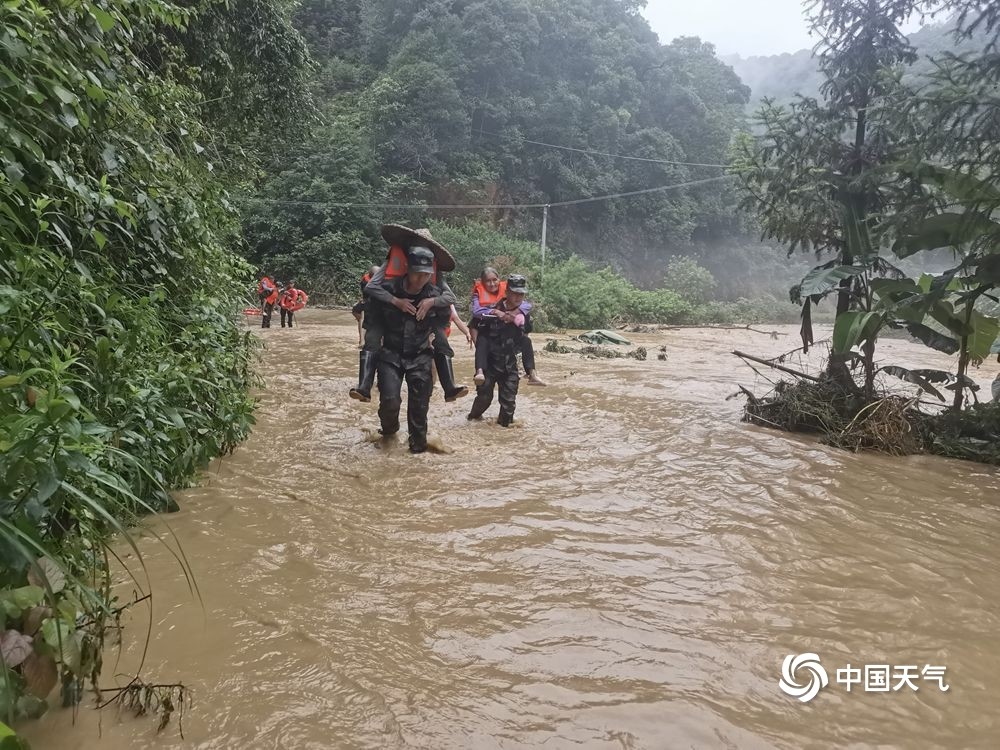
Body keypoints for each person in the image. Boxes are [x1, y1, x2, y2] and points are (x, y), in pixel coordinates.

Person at [351, 224, 468, 403]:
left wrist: (431, 302)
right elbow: (372, 286)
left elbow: (449, 296)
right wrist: (396, 301)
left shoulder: (431, 265)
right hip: (388, 312)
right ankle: (364, 387)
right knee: (372, 339)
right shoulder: (394, 260)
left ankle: (449, 387)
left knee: (441, 340)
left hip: (421, 316)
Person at [364, 247, 450, 453]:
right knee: (390, 401)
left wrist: (432, 310)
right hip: (391, 354)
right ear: (407, 270)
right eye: (417, 273)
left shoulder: (435, 295)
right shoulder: (387, 290)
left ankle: (418, 452)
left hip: (420, 355)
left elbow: (443, 322)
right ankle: (389, 431)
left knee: (419, 408)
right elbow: (372, 322)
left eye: (426, 274)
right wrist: (395, 303)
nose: (421, 278)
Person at [467, 274, 532, 427]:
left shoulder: (523, 314)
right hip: (489, 364)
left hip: (509, 366)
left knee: (508, 408)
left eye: (521, 294)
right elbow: (473, 325)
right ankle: (471, 421)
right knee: (484, 399)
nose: (518, 297)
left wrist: (528, 367)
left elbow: (526, 336)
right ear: (507, 292)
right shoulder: (489, 310)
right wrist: (480, 353)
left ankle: (503, 438)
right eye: (514, 293)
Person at [470, 268, 546, 386]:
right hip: (490, 356)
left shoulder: (523, 308)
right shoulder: (483, 303)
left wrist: (516, 314)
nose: (492, 284)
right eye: (488, 281)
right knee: (482, 339)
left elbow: (526, 331)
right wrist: (496, 312)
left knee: (526, 340)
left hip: (508, 360)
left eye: (495, 280)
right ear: (507, 292)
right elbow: (474, 321)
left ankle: (532, 374)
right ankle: (479, 371)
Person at [352, 265, 381, 347]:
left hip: (379, 302)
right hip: (369, 301)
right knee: (361, 315)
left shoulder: (383, 280)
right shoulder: (366, 281)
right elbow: (366, 297)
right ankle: (362, 341)